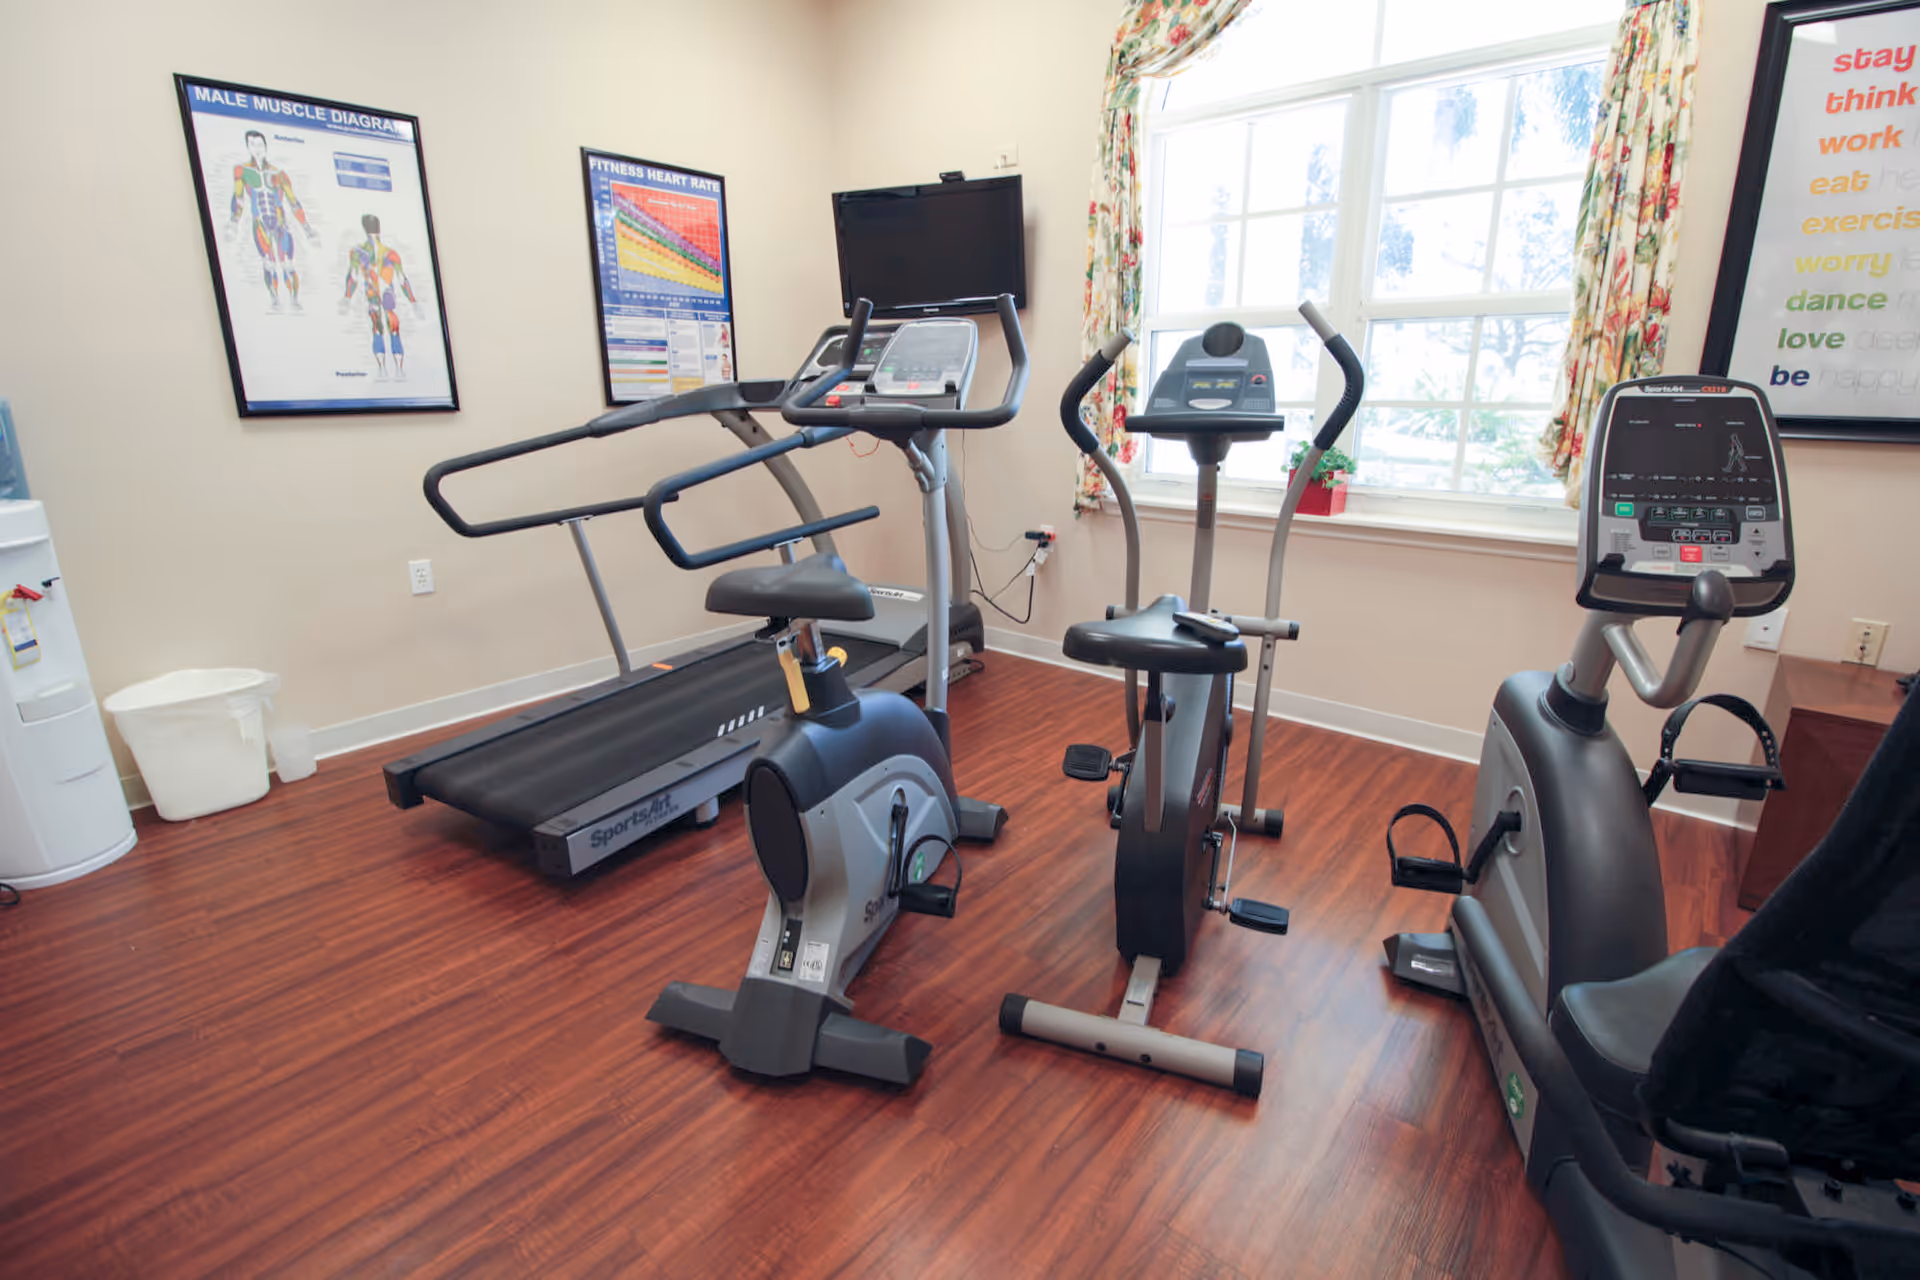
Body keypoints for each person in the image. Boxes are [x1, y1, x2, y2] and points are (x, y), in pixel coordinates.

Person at [227, 130, 316, 308]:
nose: (257, 149)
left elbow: (293, 201)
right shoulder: (242, 171)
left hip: (280, 223)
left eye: (260, 144)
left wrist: (306, 227)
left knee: (288, 264)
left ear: (265, 146)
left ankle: (294, 300)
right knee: (268, 263)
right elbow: (238, 197)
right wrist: (234, 222)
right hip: (260, 223)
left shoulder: (279, 174)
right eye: (253, 145)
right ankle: (275, 299)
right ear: (248, 147)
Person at [342, 214, 420, 377]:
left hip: (374, 293)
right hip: (386, 294)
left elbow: (353, 277)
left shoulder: (358, 252)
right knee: (391, 326)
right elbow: (402, 280)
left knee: (378, 327)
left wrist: (347, 298)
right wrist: (413, 301)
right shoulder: (390, 253)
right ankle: (397, 370)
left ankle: (384, 370)